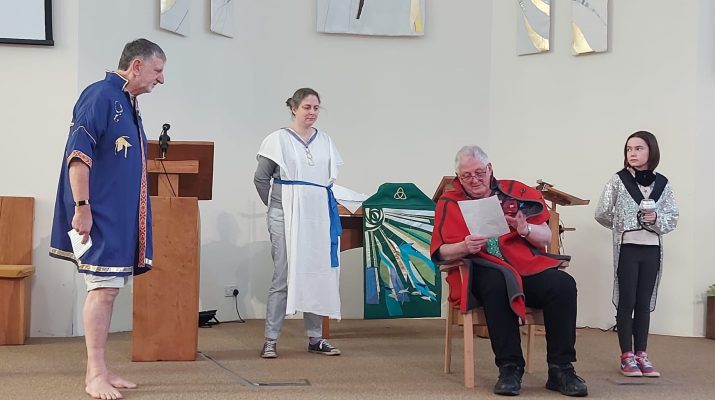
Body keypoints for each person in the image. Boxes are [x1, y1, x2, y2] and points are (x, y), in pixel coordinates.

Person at [49, 38, 166, 400]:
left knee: (109, 291)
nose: (161, 79)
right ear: (136, 66)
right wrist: (82, 206)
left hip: (117, 216)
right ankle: (93, 375)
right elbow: (78, 155)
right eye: (157, 70)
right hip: (99, 213)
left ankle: (100, 368)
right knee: (101, 292)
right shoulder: (100, 95)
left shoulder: (127, 102)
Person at [430, 146, 588, 397]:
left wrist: (525, 229)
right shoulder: (450, 202)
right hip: (479, 270)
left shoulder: (514, 192)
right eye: (466, 176)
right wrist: (463, 246)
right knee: (497, 282)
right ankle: (510, 367)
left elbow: (545, 236)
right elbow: (440, 251)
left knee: (562, 284)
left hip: (523, 265)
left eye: (479, 172)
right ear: (458, 177)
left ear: (490, 169)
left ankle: (561, 369)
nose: (474, 180)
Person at [254, 88, 343, 359]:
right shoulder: (277, 140)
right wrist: (278, 206)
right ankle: (271, 339)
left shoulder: (325, 141)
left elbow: (327, 179)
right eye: (307, 107)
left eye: (316, 108)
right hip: (285, 214)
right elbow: (261, 179)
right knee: (283, 273)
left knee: (316, 270)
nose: (312, 112)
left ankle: (316, 337)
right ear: (294, 108)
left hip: (316, 215)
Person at [595, 131, 678, 378]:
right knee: (627, 301)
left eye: (639, 148)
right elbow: (601, 212)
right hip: (628, 249)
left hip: (652, 250)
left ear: (651, 151)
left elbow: (672, 217)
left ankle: (642, 353)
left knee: (644, 302)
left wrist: (656, 219)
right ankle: (626, 356)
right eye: (629, 148)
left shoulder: (663, 183)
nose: (632, 152)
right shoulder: (618, 180)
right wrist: (625, 223)